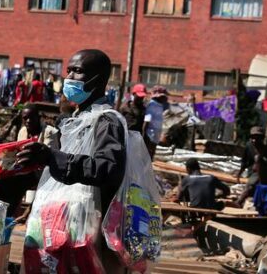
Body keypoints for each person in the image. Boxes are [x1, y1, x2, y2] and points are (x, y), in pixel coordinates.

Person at [16, 49, 127, 272]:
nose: (68, 77)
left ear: (97, 79)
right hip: (61, 222)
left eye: (77, 71)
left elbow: (107, 169)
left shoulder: (107, 121)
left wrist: (51, 157)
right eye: (68, 70)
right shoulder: (72, 122)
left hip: (90, 229)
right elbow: (58, 170)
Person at [236, 126, 267, 206]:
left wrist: (263, 161)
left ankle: (239, 200)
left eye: (257, 138)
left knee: (258, 160)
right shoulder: (249, 146)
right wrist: (239, 173)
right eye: (253, 138)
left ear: (262, 138)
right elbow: (244, 161)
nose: (254, 140)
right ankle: (240, 201)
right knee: (251, 186)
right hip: (253, 173)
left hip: (266, 174)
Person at [143, 86, 170, 160]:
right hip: (150, 136)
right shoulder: (152, 105)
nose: (166, 99)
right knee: (147, 156)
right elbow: (146, 121)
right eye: (164, 97)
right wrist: (143, 137)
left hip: (155, 137)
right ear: (159, 96)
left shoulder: (159, 106)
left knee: (151, 156)